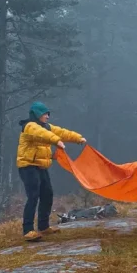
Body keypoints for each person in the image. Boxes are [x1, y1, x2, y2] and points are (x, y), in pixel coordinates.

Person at [16, 102, 86, 242]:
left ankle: (43, 226)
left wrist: (78, 138)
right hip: (28, 166)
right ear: (36, 115)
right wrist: (57, 141)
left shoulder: (47, 127)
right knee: (33, 196)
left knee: (47, 194)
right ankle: (28, 230)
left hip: (41, 166)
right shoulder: (29, 126)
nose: (47, 116)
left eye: (48, 114)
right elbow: (42, 134)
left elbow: (62, 132)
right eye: (44, 114)